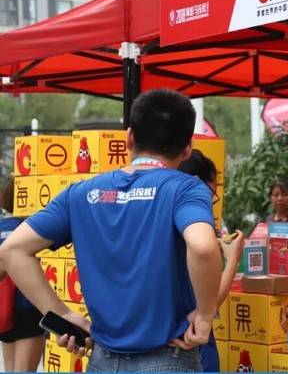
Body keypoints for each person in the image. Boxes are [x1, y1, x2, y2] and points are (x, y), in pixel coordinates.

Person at [0, 89, 222, 372]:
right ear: (188, 148)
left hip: (101, 360)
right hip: (169, 358)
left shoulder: (80, 193)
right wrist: (205, 315)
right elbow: (202, 246)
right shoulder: (185, 189)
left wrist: (61, 313)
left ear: (129, 137)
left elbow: (12, 250)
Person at [178, 149, 244, 372]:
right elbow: (211, 301)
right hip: (191, 344)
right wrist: (232, 260)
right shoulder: (197, 232)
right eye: (212, 193)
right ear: (197, 185)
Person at [0, 178, 45, 372]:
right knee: (25, 370)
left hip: (3, 306)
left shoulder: (1, 226)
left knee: (10, 369)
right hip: (29, 304)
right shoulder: (35, 228)